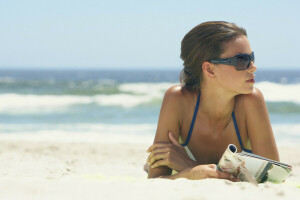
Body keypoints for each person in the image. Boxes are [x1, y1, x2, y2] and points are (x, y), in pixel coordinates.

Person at [146, 21, 279, 180]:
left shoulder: (251, 101)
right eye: (242, 60)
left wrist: (188, 165)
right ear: (209, 69)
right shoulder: (178, 99)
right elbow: (155, 181)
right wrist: (192, 172)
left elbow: (273, 178)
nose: (253, 67)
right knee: (149, 167)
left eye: (252, 58)